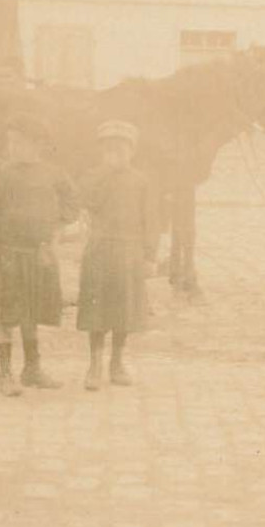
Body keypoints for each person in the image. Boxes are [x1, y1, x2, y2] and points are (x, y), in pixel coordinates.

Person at [0, 113, 79, 396]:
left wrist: (57, 229)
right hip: (9, 254)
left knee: (32, 312)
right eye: (11, 142)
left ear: (40, 144)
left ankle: (32, 368)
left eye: (21, 142)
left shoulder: (54, 173)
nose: (14, 147)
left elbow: (72, 202)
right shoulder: (2, 174)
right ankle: (4, 372)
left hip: (39, 254)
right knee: (6, 313)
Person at [77, 120, 159, 391]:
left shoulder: (142, 181)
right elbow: (87, 201)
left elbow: (150, 220)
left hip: (129, 251)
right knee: (97, 308)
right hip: (100, 249)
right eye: (110, 149)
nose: (117, 154)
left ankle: (117, 361)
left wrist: (149, 255)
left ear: (132, 151)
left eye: (122, 149)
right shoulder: (92, 177)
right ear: (101, 152)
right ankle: (95, 363)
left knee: (124, 309)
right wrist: (104, 175)